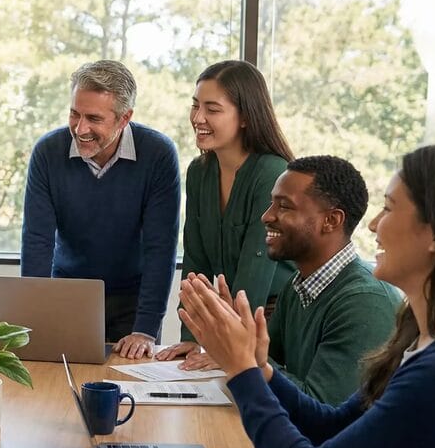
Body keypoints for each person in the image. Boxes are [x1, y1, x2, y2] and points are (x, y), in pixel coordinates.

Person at [178, 143, 435, 448]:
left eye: (388, 209)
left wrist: (241, 371)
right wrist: (260, 369)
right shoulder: (417, 339)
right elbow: (331, 426)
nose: (373, 226)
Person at [166, 156, 401, 405]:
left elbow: (323, 411)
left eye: (284, 206)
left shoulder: (365, 303)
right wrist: (232, 344)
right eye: (271, 204)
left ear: (331, 220)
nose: (266, 216)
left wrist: (242, 355)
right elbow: (265, 364)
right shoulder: (297, 286)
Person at [21, 60, 181, 357]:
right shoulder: (48, 152)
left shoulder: (158, 154)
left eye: (94, 118)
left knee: (128, 387)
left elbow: (161, 247)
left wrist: (145, 328)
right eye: (74, 114)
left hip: (133, 300)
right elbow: (37, 242)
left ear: (124, 118)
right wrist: (35, 321)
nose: (80, 129)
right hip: (68, 294)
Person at [160, 60, 296, 360]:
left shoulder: (272, 172)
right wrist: (193, 336)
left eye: (212, 109)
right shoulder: (198, 172)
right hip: (231, 326)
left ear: (245, 117)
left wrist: (230, 348)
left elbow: (255, 269)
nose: (198, 118)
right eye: (195, 106)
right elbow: (196, 261)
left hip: (274, 325)